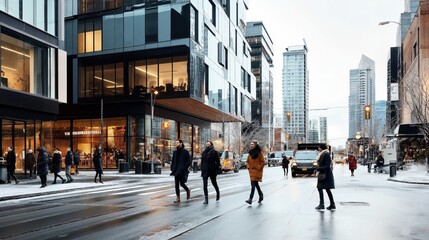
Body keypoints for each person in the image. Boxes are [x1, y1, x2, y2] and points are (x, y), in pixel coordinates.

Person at [315, 143, 335, 210]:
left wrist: (318, 168)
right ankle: (332, 204)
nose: (318, 149)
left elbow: (327, 166)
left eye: (319, 147)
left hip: (325, 175)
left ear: (321, 148)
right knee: (326, 189)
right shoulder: (323, 154)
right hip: (323, 174)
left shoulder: (326, 154)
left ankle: (322, 204)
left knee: (321, 188)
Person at [245, 140, 265, 205]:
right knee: (256, 184)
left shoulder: (260, 153)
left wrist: (258, 168)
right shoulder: (250, 153)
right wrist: (248, 167)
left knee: (253, 185)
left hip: (257, 171)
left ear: (255, 145)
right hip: (251, 171)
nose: (251, 145)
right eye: (250, 144)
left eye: (252, 144)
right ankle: (261, 195)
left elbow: (263, 162)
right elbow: (247, 161)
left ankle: (250, 199)